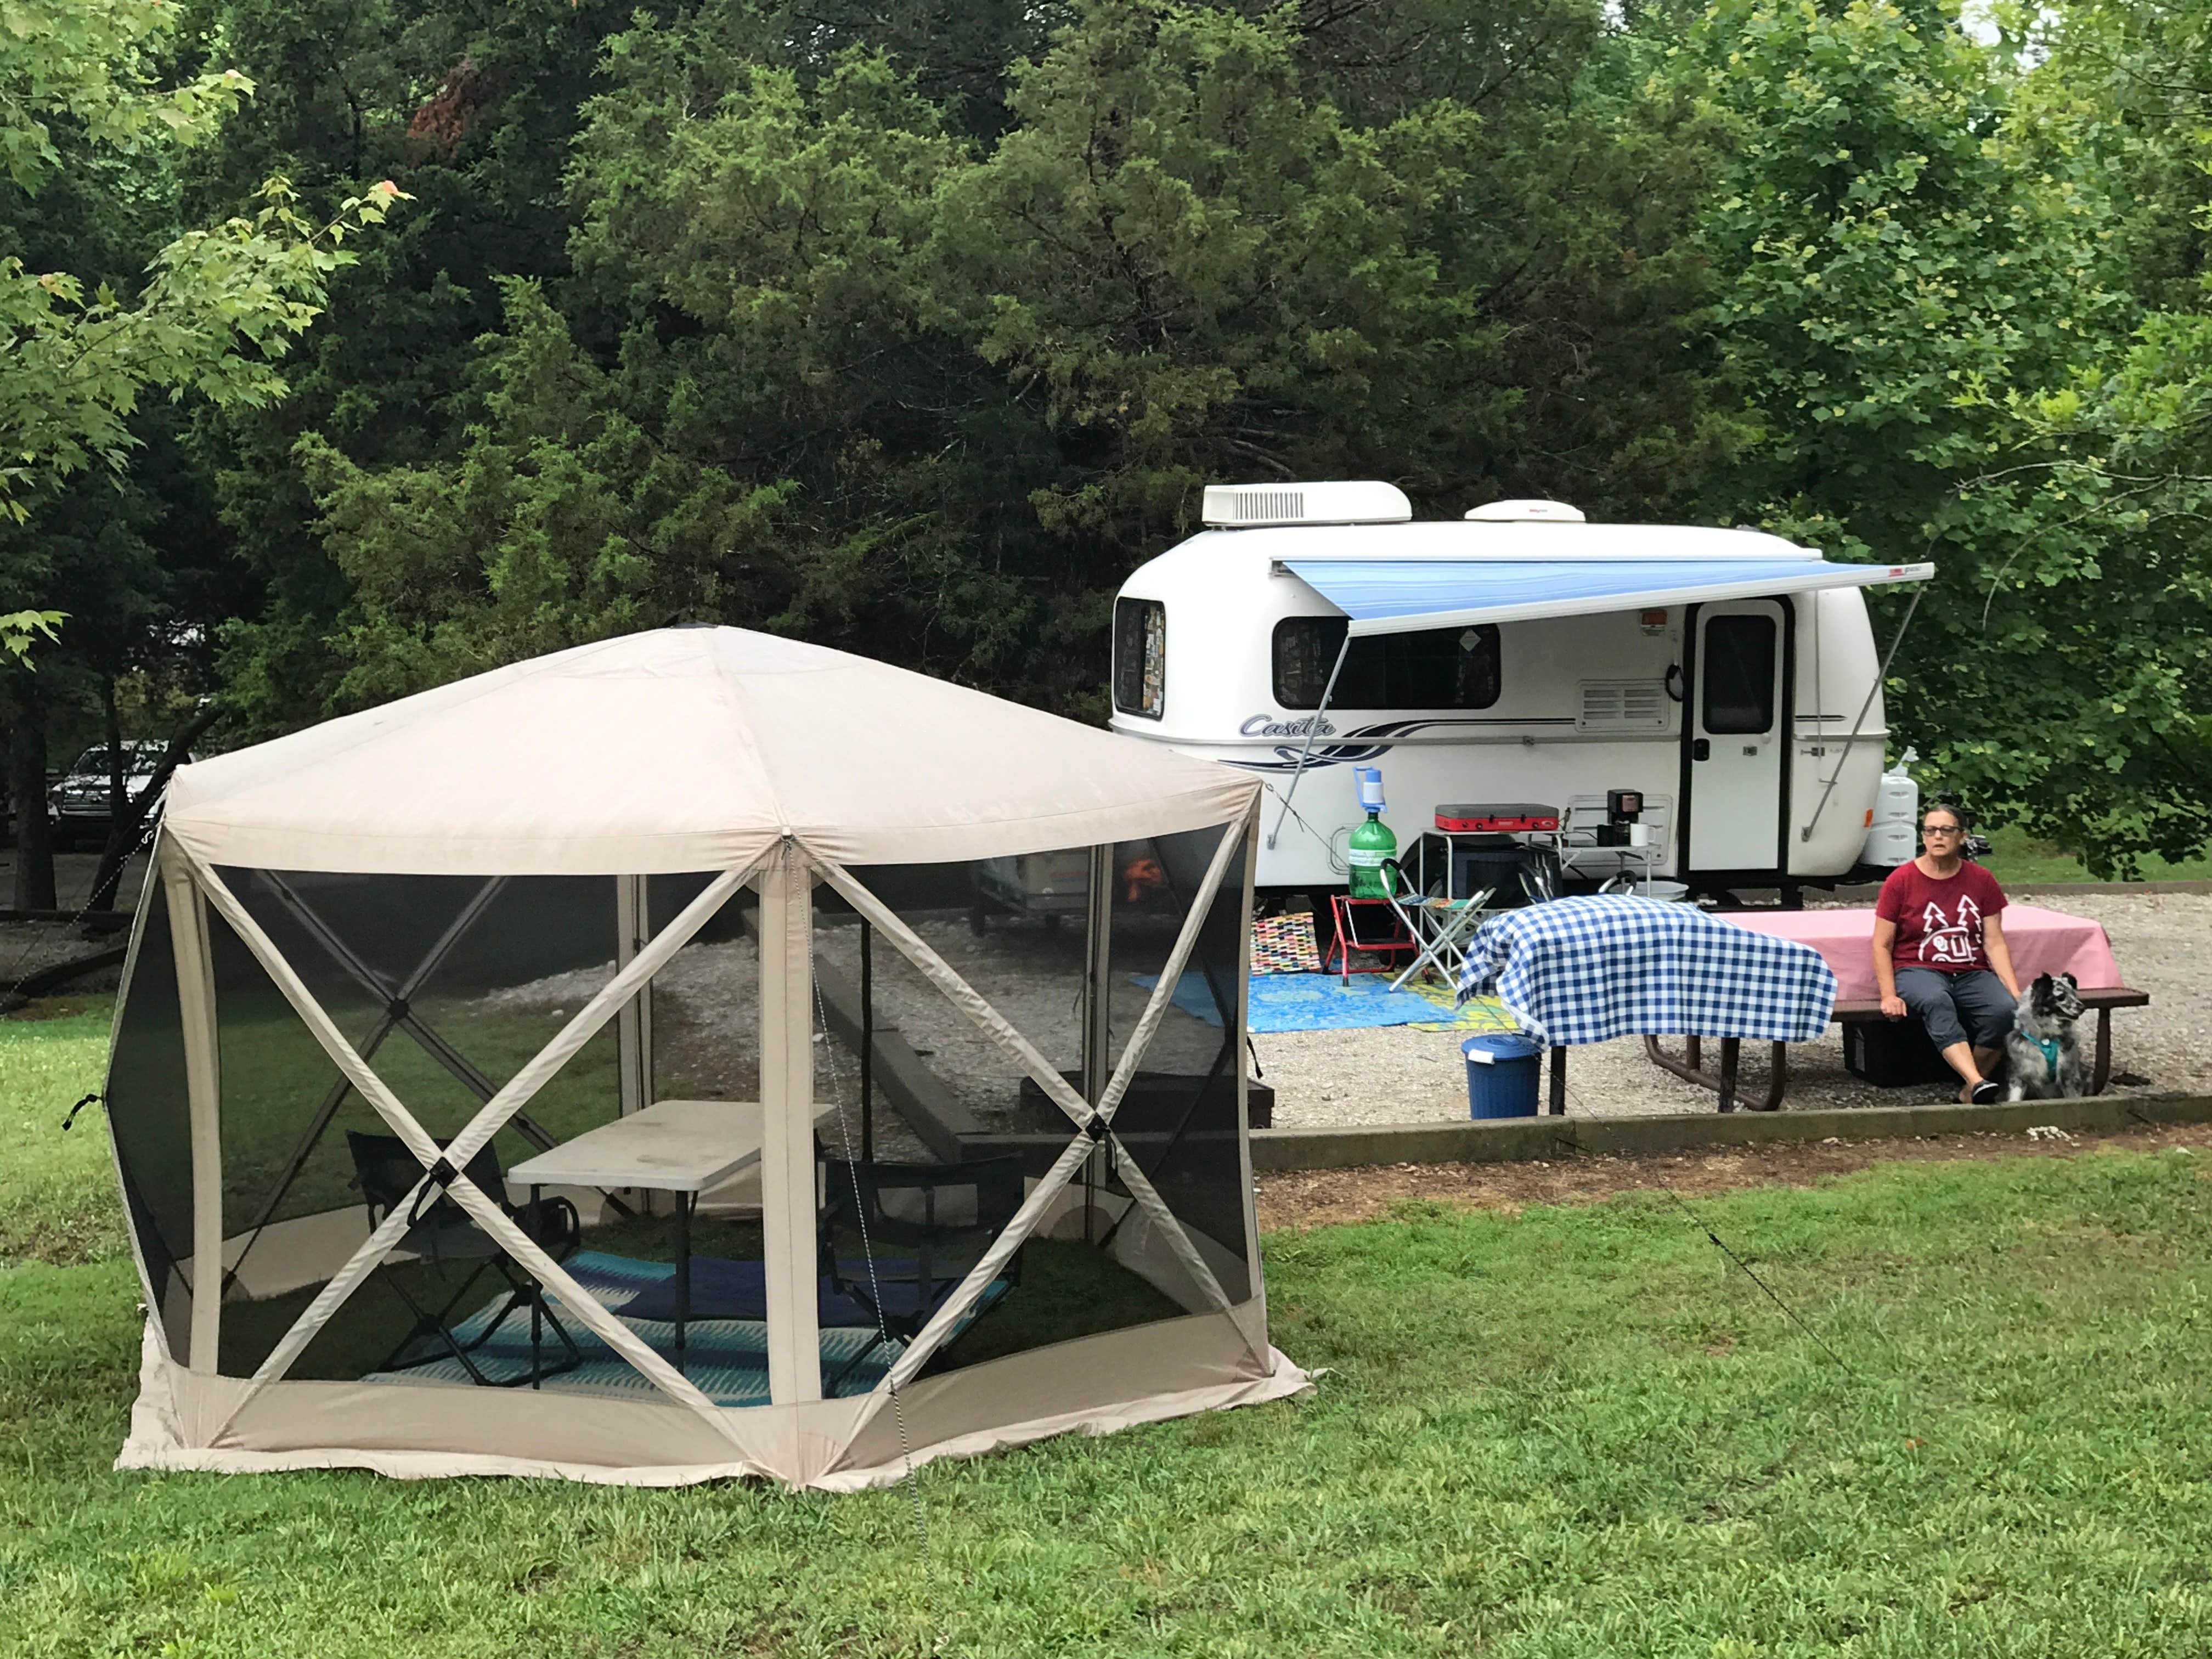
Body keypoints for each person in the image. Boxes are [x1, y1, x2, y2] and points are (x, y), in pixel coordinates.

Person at [1871, 803, 2021, 1103]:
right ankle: (1978, 1080)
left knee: (2006, 1012)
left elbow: (1994, 942)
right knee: (1936, 1001)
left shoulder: (1982, 880)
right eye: (1930, 831)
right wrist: (1889, 994)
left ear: (1963, 836)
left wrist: (2016, 994)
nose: (1937, 837)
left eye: (1946, 830)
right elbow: (1881, 944)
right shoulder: (1901, 880)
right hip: (1917, 968)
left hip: (1970, 970)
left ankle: (1969, 1091)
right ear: (1923, 837)